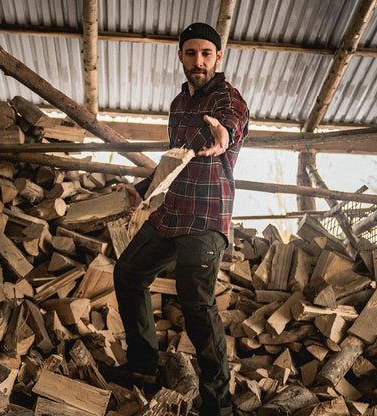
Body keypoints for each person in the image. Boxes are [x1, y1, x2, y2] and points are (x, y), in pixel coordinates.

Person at [114, 22, 249, 416]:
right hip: (172, 211)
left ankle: (218, 404)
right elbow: (175, 157)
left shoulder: (228, 99)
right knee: (127, 273)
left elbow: (230, 126)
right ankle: (142, 367)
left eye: (206, 54)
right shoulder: (178, 104)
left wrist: (224, 135)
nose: (199, 61)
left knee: (196, 304)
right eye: (191, 53)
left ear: (218, 57)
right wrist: (142, 189)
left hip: (207, 217)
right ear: (181, 57)